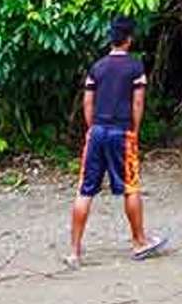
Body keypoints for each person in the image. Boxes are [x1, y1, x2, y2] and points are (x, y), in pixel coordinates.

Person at [68, 16, 167, 266]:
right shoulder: (135, 68)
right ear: (129, 39)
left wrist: (92, 128)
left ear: (111, 38)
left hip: (97, 132)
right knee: (130, 187)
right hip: (121, 132)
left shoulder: (97, 67)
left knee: (85, 189)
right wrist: (134, 129)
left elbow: (88, 102)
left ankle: (75, 251)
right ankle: (139, 242)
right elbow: (137, 103)